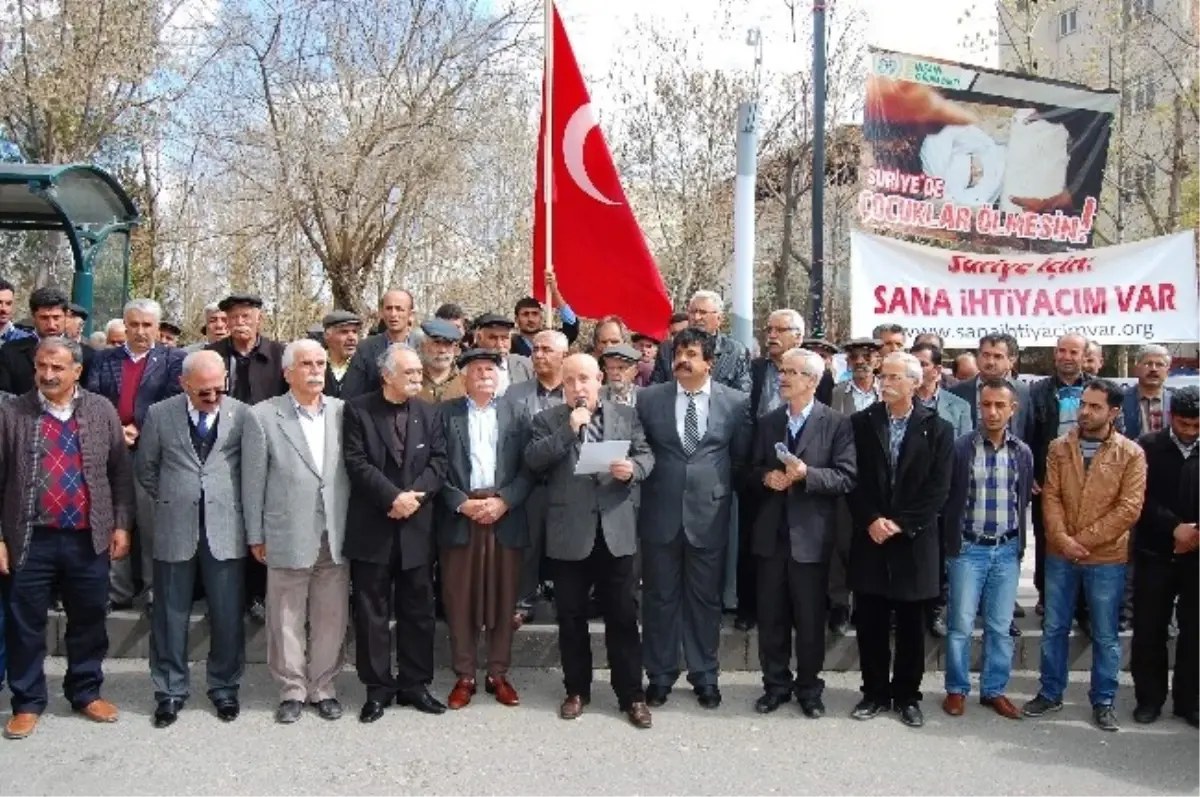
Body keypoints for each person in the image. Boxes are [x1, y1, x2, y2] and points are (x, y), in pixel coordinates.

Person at [0, 338, 134, 740]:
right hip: (30, 537)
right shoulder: (11, 413)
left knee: (90, 619)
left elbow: (120, 474)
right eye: (42, 366)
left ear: (77, 370)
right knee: (25, 623)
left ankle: (85, 691)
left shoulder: (100, 410)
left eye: (57, 367)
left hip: (86, 538)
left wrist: (122, 524)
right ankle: (26, 701)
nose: (47, 374)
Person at [524, 353, 654, 728]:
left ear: (600, 379)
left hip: (615, 530)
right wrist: (569, 429)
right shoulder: (546, 420)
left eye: (584, 379)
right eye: (570, 381)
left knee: (624, 617)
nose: (578, 387)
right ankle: (576, 690)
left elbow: (647, 455)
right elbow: (534, 460)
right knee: (571, 617)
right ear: (562, 385)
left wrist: (633, 470)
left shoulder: (625, 416)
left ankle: (631, 695)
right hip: (570, 533)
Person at [637, 328, 752, 710]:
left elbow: (739, 459)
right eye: (678, 354)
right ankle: (660, 674)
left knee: (705, 600)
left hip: (710, 515)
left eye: (691, 354)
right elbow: (643, 450)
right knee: (659, 598)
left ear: (710, 363)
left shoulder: (735, 403)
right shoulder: (649, 399)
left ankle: (705, 675)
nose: (682, 360)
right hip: (660, 513)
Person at [136, 350, 251, 728]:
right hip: (174, 527)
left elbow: (249, 470)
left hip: (226, 530)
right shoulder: (159, 414)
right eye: (205, 391)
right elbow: (147, 469)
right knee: (170, 614)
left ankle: (224, 687)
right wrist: (176, 498)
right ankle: (169, 689)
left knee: (227, 613)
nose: (214, 395)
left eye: (220, 387)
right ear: (184, 384)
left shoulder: (242, 414)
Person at [1024, 379, 1146, 732]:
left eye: (1095, 406)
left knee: (1106, 633)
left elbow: (1129, 509)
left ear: (1114, 412)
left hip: (1106, 557)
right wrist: (1063, 539)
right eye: (1084, 405)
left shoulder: (1131, 454)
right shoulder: (1059, 447)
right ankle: (1050, 692)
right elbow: (1051, 497)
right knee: (1054, 627)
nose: (1086, 412)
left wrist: (1084, 541)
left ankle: (1103, 700)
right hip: (1061, 555)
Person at [242, 339, 352, 724]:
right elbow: (252, 482)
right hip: (286, 530)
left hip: (334, 532)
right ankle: (291, 689)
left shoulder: (342, 412)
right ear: (287, 372)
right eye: (306, 363)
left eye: (321, 363)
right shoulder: (262, 416)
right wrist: (255, 534)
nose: (316, 370)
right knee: (285, 615)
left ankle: (323, 687)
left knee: (331, 615)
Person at [847, 351, 953, 729]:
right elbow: (852, 478)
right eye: (883, 376)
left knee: (911, 626)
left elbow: (938, 489)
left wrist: (902, 524)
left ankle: (907, 695)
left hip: (913, 539)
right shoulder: (860, 423)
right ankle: (874, 692)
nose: (885, 383)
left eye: (894, 377)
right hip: (871, 536)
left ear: (914, 382)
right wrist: (872, 519)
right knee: (872, 621)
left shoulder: (937, 428)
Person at [342, 344, 448, 722]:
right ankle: (377, 688)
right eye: (411, 373)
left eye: (420, 372)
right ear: (387, 375)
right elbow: (356, 462)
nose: (419, 378)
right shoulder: (358, 409)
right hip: (374, 524)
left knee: (418, 610)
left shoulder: (429, 413)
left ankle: (415, 684)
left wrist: (414, 498)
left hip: (417, 526)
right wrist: (392, 497)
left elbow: (439, 462)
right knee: (372, 612)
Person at [750, 347, 856, 718]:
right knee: (772, 618)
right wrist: (766, 477)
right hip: (772, 537)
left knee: (810, 621)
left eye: (791, 372)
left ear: (812, 380)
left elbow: (846, 477)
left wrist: (807, 475)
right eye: (781, 371)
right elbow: (748, 471)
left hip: (812, 539)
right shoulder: (768, 421)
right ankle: (775, 685)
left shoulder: (837, 423)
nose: (782, 377)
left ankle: (809, 688)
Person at [438, 349, 534, 709]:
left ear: (499, 376)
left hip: (504, 515)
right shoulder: (445, 415)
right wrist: (460, 503)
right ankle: (464, 675)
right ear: (463, 377)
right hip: (461, 515)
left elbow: (530, 469)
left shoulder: (518, 413)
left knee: (503, 598)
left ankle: (498, 673)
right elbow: (435, 467)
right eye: (476, 369)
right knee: (459, 599)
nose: (483, 375)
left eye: (490, 369)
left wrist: (505, 501)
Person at [941, 379, 1034, 720]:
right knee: (961, 624)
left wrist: (1017, 545)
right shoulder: (961, 448)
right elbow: (949, 499)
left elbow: (1020, 500)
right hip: (969, 549)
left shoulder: (1022, 452)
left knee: (999, 626)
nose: (992, 412)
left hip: (1006, 550)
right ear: (979, 407)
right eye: (986, 405)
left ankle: (994, 690)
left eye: (1000, 406)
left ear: (1013, 409)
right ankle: (956, 688)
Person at [87, 299, 186, 612]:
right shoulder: (105, 360)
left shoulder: (174, 359)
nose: (140, 331)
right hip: (110, 450)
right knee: (113, 519)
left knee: (151, 522)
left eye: (147, 325)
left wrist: (140, 428)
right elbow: (92, 397)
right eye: (134, 324)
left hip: (154, 452)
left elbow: (173, 400)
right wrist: (116, 429)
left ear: (157, 327)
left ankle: (153, 590)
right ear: (125, 326)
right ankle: (117, 590)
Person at [206, 293, 287, 625]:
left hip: (269, 449)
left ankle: (259, 594)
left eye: (246, 317)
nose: (240, 323)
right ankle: (226, 595)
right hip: (221, 449)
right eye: (234, 317)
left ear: (259, 320)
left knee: (260, 518)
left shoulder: (280, 355)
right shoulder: (211, 356)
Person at [1130, 384, 1200, 727]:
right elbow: (1137, 498)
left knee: (1195, 630)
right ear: (1172, 417)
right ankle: (1150, 699)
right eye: (1184, 424)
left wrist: (1194, 533)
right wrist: (1174, 528)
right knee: (1149, 629)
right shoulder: (1148, 447)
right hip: (1154, 552)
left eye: (1196, 426)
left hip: (1198, 555)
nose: (1189, 432)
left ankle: (1190, 701)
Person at [505, 329, 569, 626]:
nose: (539, 355)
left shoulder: (575, 392)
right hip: (530, 481)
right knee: (526, 547)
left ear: (564, 356)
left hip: (569, 483)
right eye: (536, 350)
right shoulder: (515, 394)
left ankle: (567, 599)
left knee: (566, 547)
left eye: (547, 350)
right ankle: (522, 601)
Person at [0, 286, 95, 395]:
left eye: (56, 317)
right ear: (33, 317)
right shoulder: (10, 352)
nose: (51, 325)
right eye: (44, 318)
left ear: (66, 315)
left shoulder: (87, 355)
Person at [650, 291, 751, 392]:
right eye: (693, 312)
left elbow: (742, 397)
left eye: (703, 312)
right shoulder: (668, 349)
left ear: (719, 318)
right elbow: (655, 390)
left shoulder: (735, 351)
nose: (696, 318)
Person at [339, 289, 420, 400]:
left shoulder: (423, 347)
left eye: (399, 309)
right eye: (388, 308)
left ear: (411, 314)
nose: (393, 314)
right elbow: (351, 394)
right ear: (381, 312)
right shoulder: (365, 348)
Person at [509, 274, 580, 357]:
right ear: (516, 319)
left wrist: (554, 291)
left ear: (541, 317)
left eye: (535, 314)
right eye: (525, 314)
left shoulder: (553, 340)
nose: (531, 319)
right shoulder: (510, 344)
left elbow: (571, 324)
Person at [472, 313, 534, 396]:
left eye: (504, 338)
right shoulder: (467, 368)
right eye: (493, 338)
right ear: (479, 339)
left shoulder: (525, 365)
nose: (499, 344)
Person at [416, 319, 466, 404]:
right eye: (436, 343)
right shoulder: (412, 378)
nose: (442, 350)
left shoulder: (466, 382)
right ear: (423, 346)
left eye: (448, 344)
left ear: (455, 349)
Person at [321, 311, 361, 398]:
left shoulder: (365, 367)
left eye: (354, 332)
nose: (352, 338)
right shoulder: (315, 364)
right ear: (327, 336)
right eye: (344, 332)